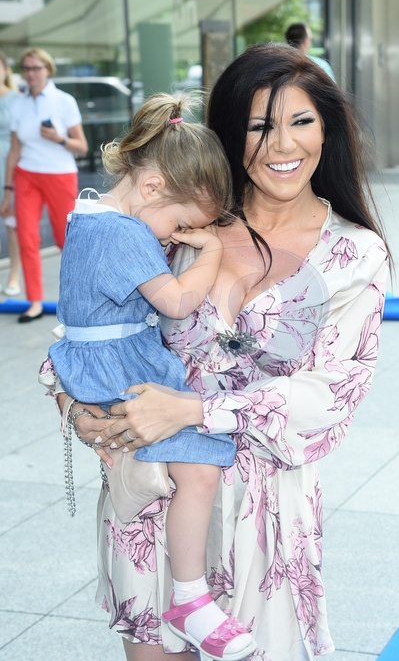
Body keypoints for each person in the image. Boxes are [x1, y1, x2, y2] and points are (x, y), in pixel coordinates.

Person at [43, 43, 389, 660]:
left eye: (301, 121)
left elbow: (334, 393)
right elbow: (88, 323)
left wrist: (194, 411)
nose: (282, 145)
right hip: (154, 490)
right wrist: (75, 406)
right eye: (259, 126)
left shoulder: (354, 254)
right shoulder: (175, 227)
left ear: (327, 129)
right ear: (231, 133)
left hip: (264, 513)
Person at [48, 91, 255, 661]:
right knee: (201, 468)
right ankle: (190, 598)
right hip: (124, 369)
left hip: (97, 363)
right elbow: (179, 302)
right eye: (181, 225)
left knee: (185, 471)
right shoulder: (125, 233)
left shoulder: (87, 216)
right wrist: (210, 250)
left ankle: (186, 598)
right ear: (153, 187)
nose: (174, 239)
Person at [0, 47, 88, 322]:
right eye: (26, 68)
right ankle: (35, 301)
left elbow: (82, 146)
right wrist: (7, 191)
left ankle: (80, 299)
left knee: (65, 240)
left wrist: (58, 138)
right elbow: (14, 150)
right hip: (26, 174)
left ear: (48, 70)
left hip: (59, 174)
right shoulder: (18, 104)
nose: (31, 73)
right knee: (26, 238)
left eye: (36, 68)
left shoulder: (64, 101)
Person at [0, 51, 21, 297]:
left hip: (10, 165)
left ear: (6, 70)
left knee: (11, 223)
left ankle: (14, 274)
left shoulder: (17, 99)